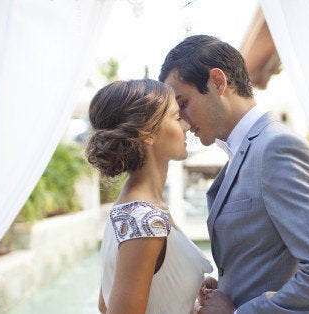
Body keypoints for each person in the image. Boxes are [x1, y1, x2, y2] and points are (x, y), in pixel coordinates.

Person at [159, 35, 309, 314]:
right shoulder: (242, 155)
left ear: (217, 82)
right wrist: (229, 288)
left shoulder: (276, 147)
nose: (183, 120)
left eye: (184, 102)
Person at [85, 79, 213, 313]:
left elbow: (105, 303)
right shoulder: (145, 221)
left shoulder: (129, 211)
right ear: (147, 134)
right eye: (176, 117)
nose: (186, 125)